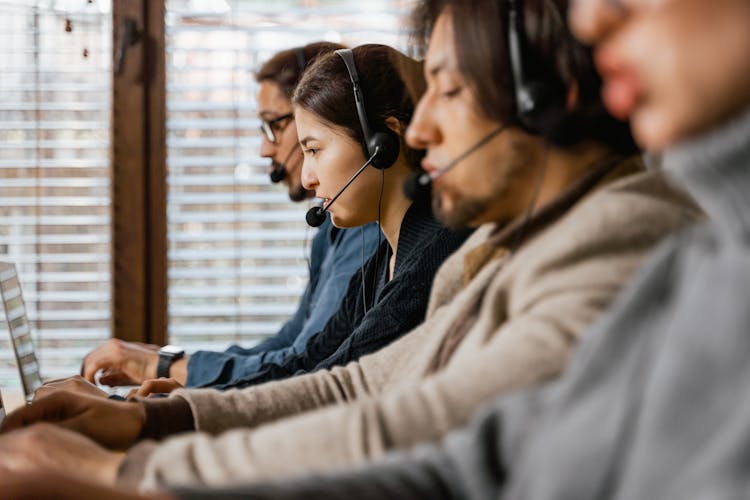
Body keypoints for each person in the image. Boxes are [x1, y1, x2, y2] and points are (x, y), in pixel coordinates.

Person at [0, 0, 700, 492]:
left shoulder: (617, 235)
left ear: (542, 98)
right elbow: (358, 381)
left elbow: (421, 429)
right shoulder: (508, 249)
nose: (420, 133)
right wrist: (152, 421)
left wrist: (123, 471)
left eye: (448, 90)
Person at [70, 42, 382, 391]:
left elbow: (302, 366)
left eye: (273, 126)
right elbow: (291, 345)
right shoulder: (334, 226)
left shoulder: (367, 229)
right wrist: (167, 364)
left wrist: (161, 366)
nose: (265, 148)